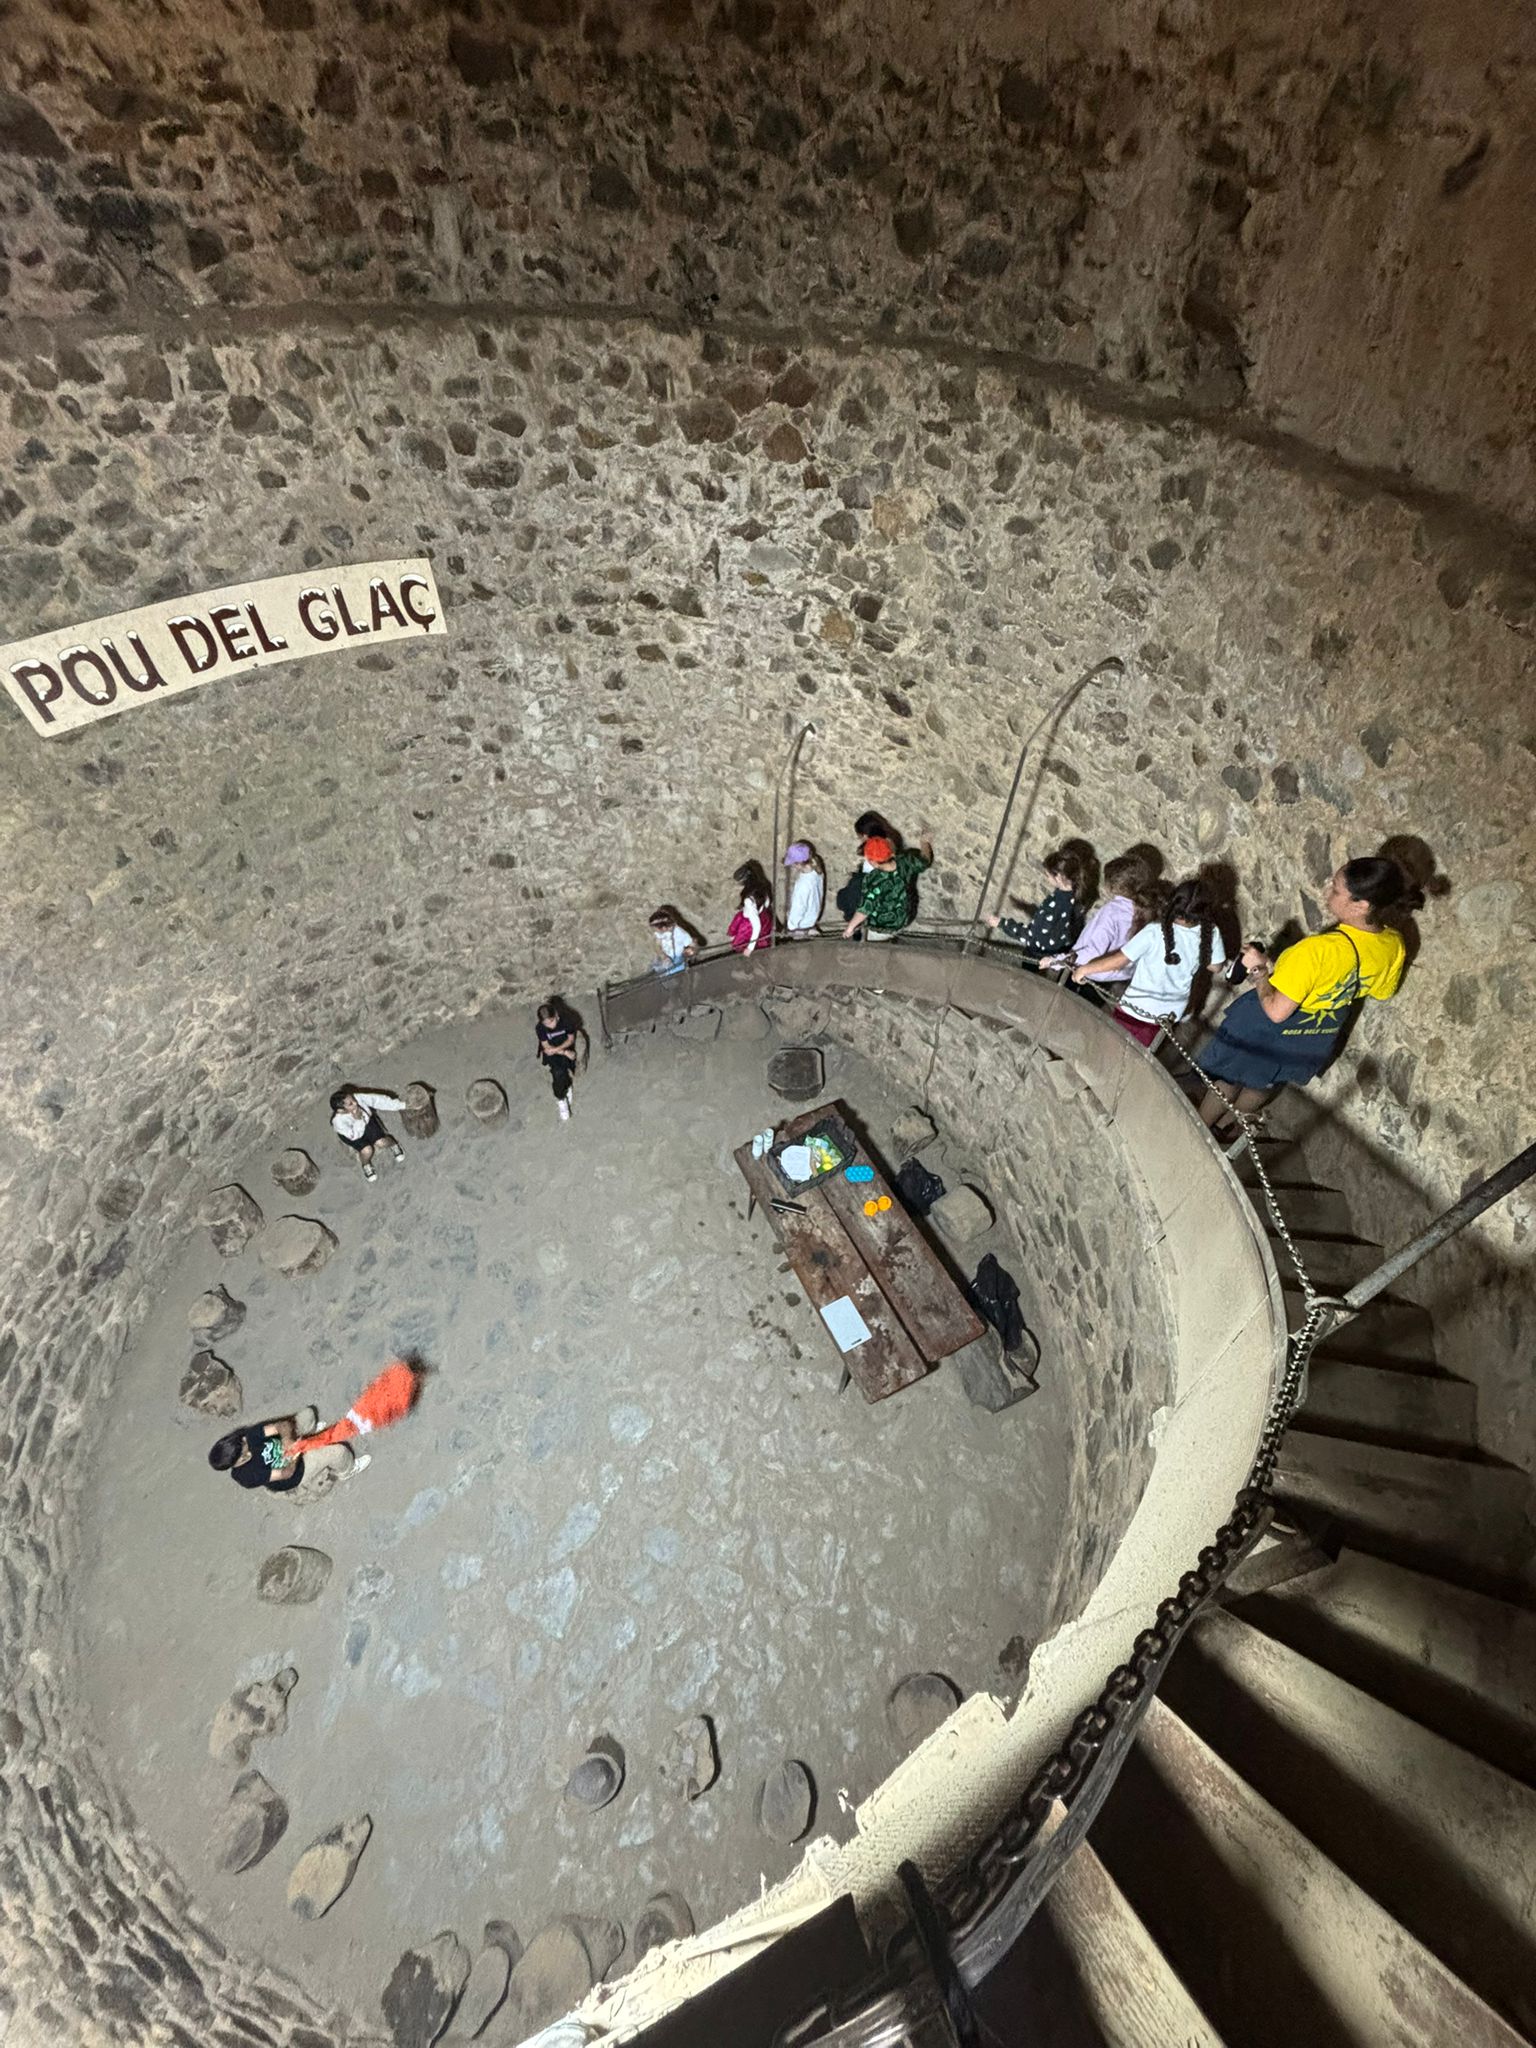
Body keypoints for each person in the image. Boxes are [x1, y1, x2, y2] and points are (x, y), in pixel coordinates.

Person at [1197, 857, 1420, 1132]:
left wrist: (1259, 970)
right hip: (1310, 1035)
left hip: (1267, 1028)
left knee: (1229, 1076)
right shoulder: (1393, 944)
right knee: (1264, 1081)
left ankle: (1199, 1128)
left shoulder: (1317, 951)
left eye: (1336, 889)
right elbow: (1382, 992)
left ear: (1361, 904)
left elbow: (1276, 1011)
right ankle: (1225, 1129)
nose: (1328, 892)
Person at [1073, 877, 1224, 1045]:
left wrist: (1085, 969)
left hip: (1135, 1008)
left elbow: (1119, 960)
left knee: (1109, 1045)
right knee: (1139, 1053)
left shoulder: (1154, 931)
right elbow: (1216, 967)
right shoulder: (1212, 933)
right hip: (1167, 1016)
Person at [1043, 850, 1165, 999]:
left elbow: (1093, 950)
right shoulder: (1149, 909)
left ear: (1112, 886)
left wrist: (1056, 961)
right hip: (1118, 977)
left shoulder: (1112, 913)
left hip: (1091, 974)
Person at [208, 1409, 367, 1499]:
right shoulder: (247, 1476)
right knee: (338, 1452)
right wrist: (295, 1453)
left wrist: (287, 1441)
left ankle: (311, 1431)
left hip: (289, 1444)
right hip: (296, 1471)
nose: (244, 1439)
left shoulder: (248, 1437)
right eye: (243, 1444)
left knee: (307, 1414)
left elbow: (281, 1425)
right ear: (241, 1458)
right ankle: (347, 1470)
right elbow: (286, 1473)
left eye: (242, 1440)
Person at [984, 845, 1092, 962]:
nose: (1047, 878)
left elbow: (1032, 937)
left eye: (1047, 875)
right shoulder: (1073, 898)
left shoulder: (1056, 904)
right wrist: (1025, 907)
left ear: (1059, 877)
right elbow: (1050, 924)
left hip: (1038, 956)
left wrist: (1002, 924)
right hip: (1055, 956)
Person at [843, 833, 934, 942]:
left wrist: (850, 928)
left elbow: (865, 909)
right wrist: (924, 842)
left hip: (882, 928)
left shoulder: (875, 879)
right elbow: (925, 860)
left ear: (873, 862)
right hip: (904, 919)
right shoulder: (905, 861)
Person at [834, 811, 900, 929]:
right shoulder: (891, 844)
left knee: (847, 898)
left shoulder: (871, 871)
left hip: (869, 903)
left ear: (865, 835)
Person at [330, 1086, 406, 1182]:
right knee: (367, 1151)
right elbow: (355, 1136)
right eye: (350, 1104)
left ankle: (394, 1144)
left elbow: (378, 1100)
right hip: (353, 1134)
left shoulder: (358, 1098)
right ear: (341, 1110)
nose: (355, 1103)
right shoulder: (338, 1122)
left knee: (381, 1142)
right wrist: (358, 1120)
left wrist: (401, 1105)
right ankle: (366, 1164)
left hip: (367, 1123)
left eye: (353, 1099)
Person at [536, 999, 580, 1121]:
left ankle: (568, 1086)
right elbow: (546, 1047)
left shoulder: (567, 1021)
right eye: (546, 1023)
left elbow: (570, 1039)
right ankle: (561, 1099)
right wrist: (564, 1052)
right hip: (557, 1052)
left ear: (556, 1015)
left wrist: (561, 1050)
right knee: (558, 1073)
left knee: (568, 1068)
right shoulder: (540, 1028)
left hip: (564, 1046)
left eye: (551, 1021)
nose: (550, 1026)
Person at [728, 860, 775, 954]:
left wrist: (750, 948)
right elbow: (767, 903)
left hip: (749, 923)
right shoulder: (764, 887)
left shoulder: (749, 900)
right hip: (763, 917)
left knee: (739, 943)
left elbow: (756, 925)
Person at [782, 843, 825, 937]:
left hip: (800, 928)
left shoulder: (803, 884)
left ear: (798, 864)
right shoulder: (817, 872)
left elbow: (799, 907)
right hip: (811, 923)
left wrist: (791, 926)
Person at [647, 906, 698, 975]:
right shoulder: (659, 933)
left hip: (678, 960)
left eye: (656, 928)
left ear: (664, 927)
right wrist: (663, 956)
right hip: (665, 959)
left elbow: (693, 944)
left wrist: (690, 950)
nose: (655, 931)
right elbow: (657, 945)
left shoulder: (680, 933)